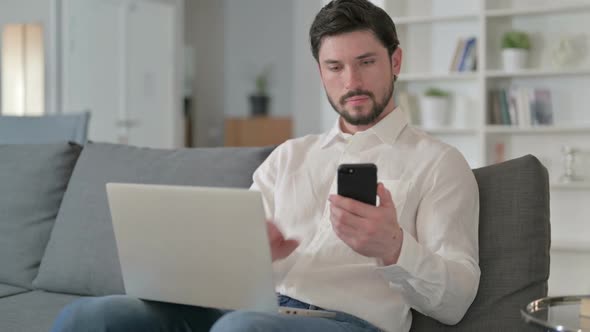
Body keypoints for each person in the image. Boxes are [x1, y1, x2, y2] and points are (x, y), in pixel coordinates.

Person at [51, 0, 480, 331]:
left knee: (240, 327)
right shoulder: (289, 156)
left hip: (346, 323)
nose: (351, 82)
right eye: (335, 67)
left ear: (395, 62)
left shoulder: (439, 163)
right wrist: (245, 255)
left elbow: (457, 298)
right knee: (92, 316)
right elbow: (234, 263)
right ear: (321, 72)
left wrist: (393, 247)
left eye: (366, 62)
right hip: (252, 311)